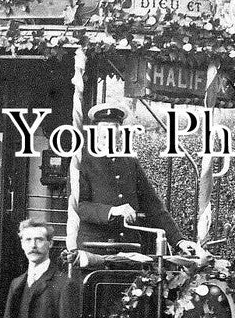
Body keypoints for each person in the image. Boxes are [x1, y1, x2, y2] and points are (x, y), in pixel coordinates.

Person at [78, 102, 199, 255]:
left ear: (120, 132)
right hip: (95, 250)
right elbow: (79, 206)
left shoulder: (130, 162)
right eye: (104, 127)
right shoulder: (81, 162)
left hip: (130, 248)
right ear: (95, 131)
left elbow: (153, 205)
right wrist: (112, 211)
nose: (108, 133)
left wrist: (179, 240)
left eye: (113, 127)